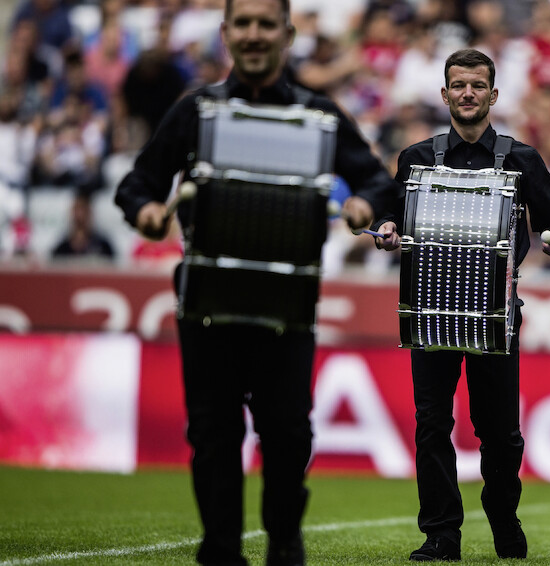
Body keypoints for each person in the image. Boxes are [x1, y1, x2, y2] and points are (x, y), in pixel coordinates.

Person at [114, 1, 397, 565]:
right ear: (225, 34)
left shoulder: (320, 114)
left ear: (287, 35)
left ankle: (284, 543)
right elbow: (136, 184)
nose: (253, 33)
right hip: (207, 304)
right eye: (242, 23)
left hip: (287, 306)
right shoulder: (195, 110)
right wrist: (146, 210)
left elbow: (375, 179)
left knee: (289, 435)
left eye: (266, 23)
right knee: (213, 436)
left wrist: (365, 202)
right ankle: (220, 549)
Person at [375, 48, 550, 561]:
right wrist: (387, 229)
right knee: (431, 425)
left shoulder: (521, 158)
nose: (467, 93)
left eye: (476, 85)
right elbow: (387, 217)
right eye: (458, 85)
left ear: (492, 94)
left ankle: (504, 519)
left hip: (497, 317)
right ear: (444, 94)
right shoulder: (416, 158)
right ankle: (441, 533)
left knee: (501, 434)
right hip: (430, 312)